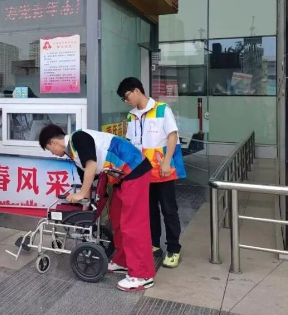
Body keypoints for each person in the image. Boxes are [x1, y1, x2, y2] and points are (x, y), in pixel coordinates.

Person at [39, 124, 155, 292]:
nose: (53, 153)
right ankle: (123, 261)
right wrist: (84, 208)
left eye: (50, 150)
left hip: (135, 169)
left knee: (133, 225)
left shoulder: (78, 138)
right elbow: (87, 180)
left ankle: (143, 275)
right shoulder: (74, 155)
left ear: (54, 142)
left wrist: (81, 194)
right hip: (121, 177)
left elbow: (91, 165)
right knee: (117, 220)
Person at [117, 77, 186, 268]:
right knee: (149, 210)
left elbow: (172, 135)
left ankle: (173, 249)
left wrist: (167, 162)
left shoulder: (162, 109)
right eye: (123, 99)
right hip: (143, 173)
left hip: (163, 171)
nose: (126, 101)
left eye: (126, 96)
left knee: (169, 210)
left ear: (136, 90)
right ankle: (154, 244)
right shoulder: (131, 116)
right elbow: (131, 144)